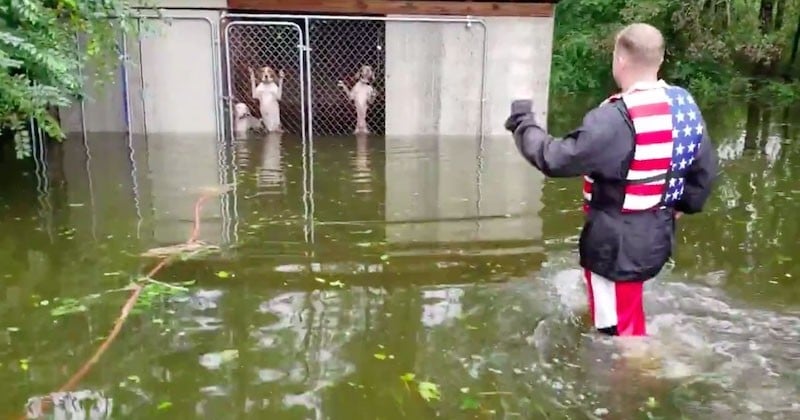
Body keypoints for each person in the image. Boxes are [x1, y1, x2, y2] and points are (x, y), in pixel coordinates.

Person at [504, 23, 718, 337]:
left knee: (619, 331)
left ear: (620, 60)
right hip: (656, 234)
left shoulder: (616, 118)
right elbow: (705, 171)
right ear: (659, 61)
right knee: (625, 307)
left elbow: (554, 159)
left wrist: (523, 122)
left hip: (615, 246)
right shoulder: (683, 104)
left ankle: (634, 379)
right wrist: (680, 205)